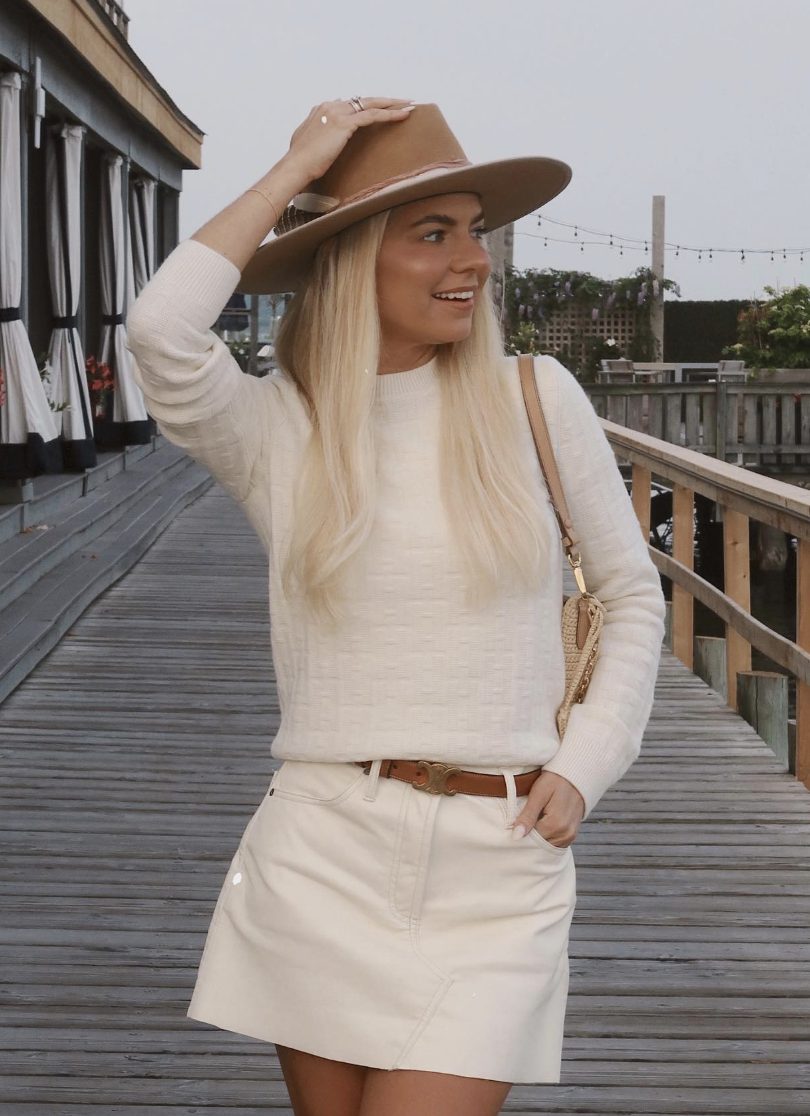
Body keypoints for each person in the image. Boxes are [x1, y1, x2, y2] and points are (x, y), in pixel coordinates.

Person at [127, 99, 666, 1116]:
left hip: (500, 862)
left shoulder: (536, 398)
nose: (474, 258)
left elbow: (634, 598)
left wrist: (588, 765)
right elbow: (160, 328)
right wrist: (299, 171)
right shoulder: (278, 429)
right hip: (323, 849)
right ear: (351, 259)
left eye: (476, 230)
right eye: (433, 231)